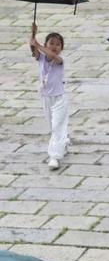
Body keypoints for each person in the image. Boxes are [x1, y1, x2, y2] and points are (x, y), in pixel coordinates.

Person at [30, 24, 69, 170]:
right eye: (51, 43)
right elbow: (34, 50)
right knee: (53, 126)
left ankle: (54, 157)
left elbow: (51, 55)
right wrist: (33, 34)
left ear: (61, 48)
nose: (54, 46)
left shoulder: (60, 60)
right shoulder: (40, 58)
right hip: (46, 98)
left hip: (60, 98)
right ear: (46, 44)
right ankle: (64, 141)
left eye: (58, 44)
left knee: (56, 127)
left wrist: (38, 44)